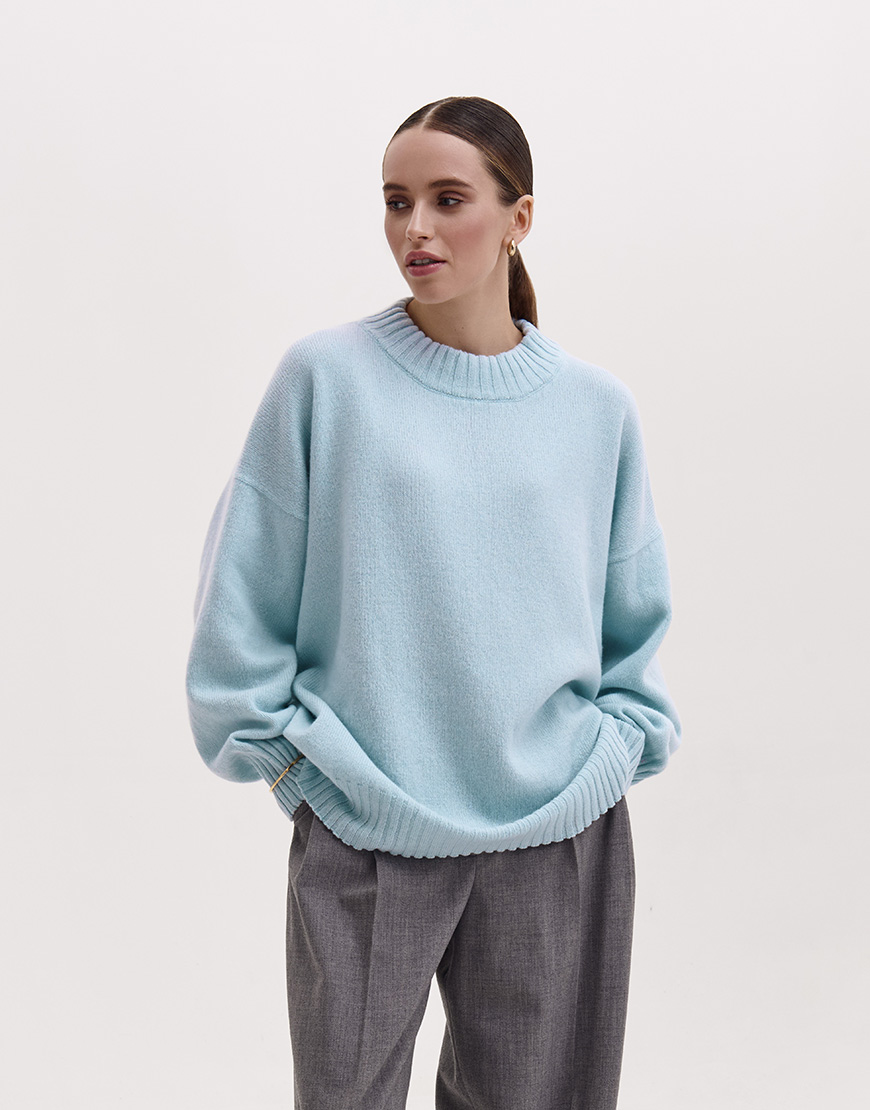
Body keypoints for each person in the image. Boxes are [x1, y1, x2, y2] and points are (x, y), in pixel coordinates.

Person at [186, 95, 682, 1110]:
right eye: (395, 200)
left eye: (448, 199)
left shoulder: (594, 409)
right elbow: (242, 595)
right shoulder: (326, 379)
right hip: (366, 820)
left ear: (519, 217)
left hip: (557, 827)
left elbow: (633, 624)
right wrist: (297, 775)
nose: (414, 227)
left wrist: (615, 752)